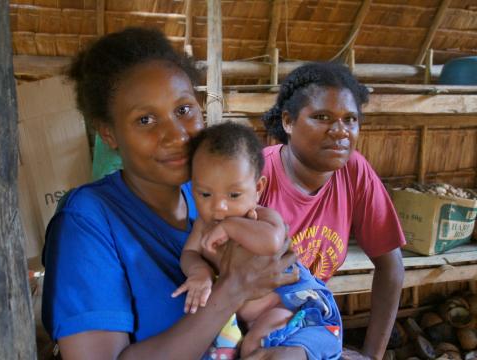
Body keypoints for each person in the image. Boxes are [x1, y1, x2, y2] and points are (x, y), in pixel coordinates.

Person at [41, 27, 305, 360]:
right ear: (109, 133)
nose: (176, 134)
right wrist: (233, 289)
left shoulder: (210, 199)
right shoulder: (88, 221)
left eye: (183, 110)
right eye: (145, 119)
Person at [260, 62, 406, 359]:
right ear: (288, 121)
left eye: (350, 119)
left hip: (309, 324)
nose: (340, 131)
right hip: (249, 322)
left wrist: (371, 355)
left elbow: (391, 266)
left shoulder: (354, 171)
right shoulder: (258, 175)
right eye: (322, 117)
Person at [172, 121, 342, 359]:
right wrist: (199, 272)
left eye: (233, 195)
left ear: (258, 188)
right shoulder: (202, 225)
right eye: (205, 194)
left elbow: (272, 243)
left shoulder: (261, 217)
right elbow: (189, 253)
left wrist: (231, 227)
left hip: (280, 308)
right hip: (235, 317)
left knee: (255, 347)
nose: (219, 207)